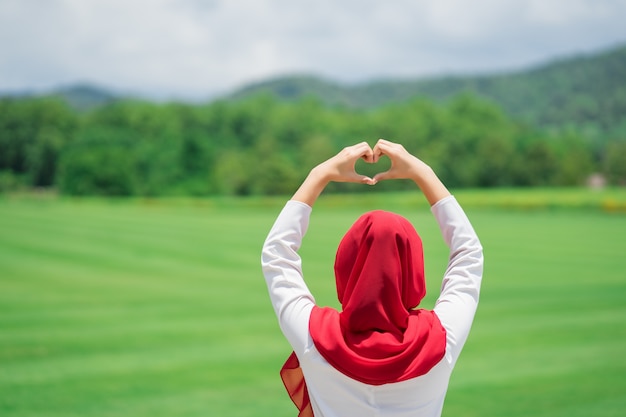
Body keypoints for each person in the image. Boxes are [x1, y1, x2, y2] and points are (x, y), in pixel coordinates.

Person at [261, 139, 483, 417]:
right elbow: (469, 253)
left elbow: (276, 254)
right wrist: (423, 172)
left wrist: (319, 175)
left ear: (345, 266)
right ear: (413, 273)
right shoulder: (441, 339)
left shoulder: (313, 336)